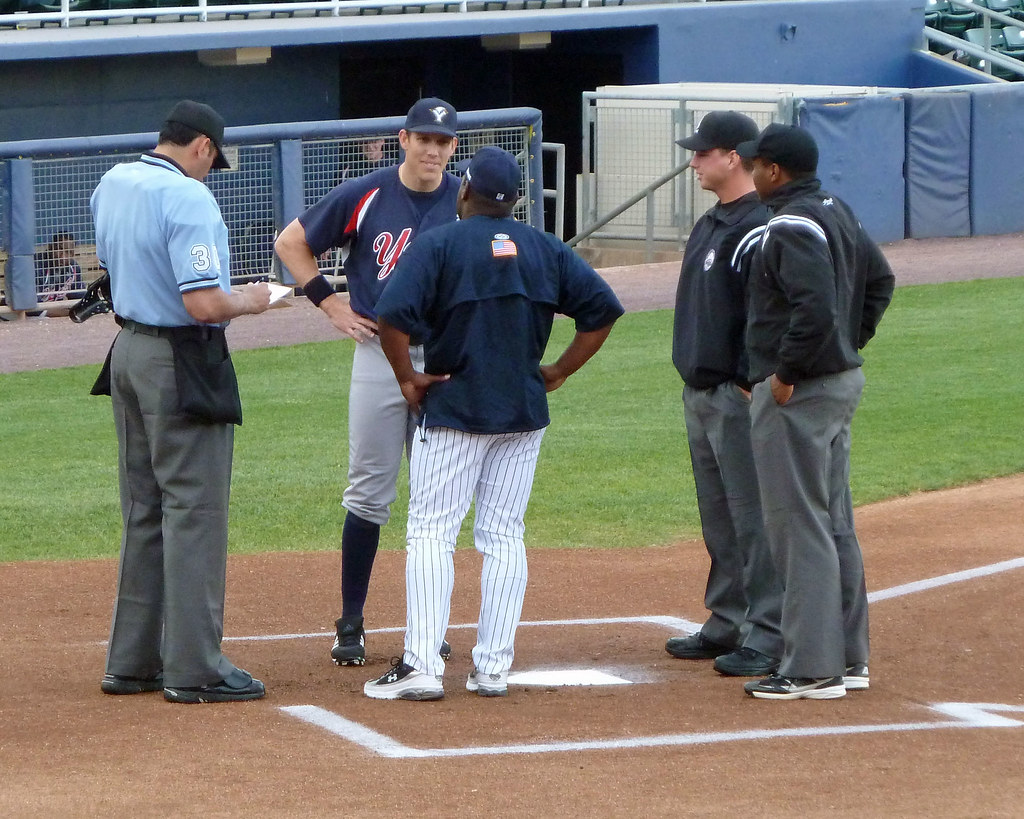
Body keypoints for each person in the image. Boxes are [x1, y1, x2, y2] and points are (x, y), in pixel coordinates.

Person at [363, 146, 625, 700]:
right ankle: (492, 669)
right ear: (517, 201)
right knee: (504, 533)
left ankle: (423, 667)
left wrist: (408, 379)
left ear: (464, 192)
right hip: (522, 413)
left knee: (433, 531)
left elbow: (391, 316)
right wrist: (558, 370)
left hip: (456, 409)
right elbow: (602, 311)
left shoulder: (439, 244)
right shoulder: (544, 248)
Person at [91, 99, 272, 703]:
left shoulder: (115, 180)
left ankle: (132, 662)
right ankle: (195, 666)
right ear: (201, 147)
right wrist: (258, 297)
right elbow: (205, 304)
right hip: (179, 360)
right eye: (211, 160)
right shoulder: (190, 198)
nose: (209, 171)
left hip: (128, 353)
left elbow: (114, 280)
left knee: (145, 507)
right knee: (193, 510)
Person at [274, 97, 461, 667]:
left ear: (454, 147)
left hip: (446, 361)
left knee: (438, 499)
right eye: (423, 138)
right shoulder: (368, 191)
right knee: (369, 491)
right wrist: (328, 303)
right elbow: (291, 242)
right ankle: (350, 621)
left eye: (443, 141)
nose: (433, 149)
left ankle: (426, 625)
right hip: (381, 355)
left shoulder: (467, 199)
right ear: (403, 140)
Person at [734, 123, 894, 700]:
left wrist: (788, 373)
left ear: (774, 171)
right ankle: (849, 660)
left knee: (798, 526)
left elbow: (813, 307)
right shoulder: (837, 210)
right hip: (837, 383)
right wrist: (849, 348)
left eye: (756, 165)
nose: (751, 173)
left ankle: (810, 668)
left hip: (800, 394)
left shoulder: (790, 224)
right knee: (833, 523)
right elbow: (880, 281)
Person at [664, 111, 784, 678]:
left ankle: (768, 629)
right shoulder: (714, 221)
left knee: (750, 515)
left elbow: (767, 315)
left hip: (734, 394)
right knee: (718, 515)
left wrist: (743, 379)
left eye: (702, 152)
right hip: (699, 391)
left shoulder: (759, 225)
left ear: (733, 156)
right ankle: (727, 618)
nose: (694, 161)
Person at [36, 232, 85, 302]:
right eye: (60, 250)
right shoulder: (37, 266)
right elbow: (30, 305)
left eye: (68, 252)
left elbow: (79, 298)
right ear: (51, 247)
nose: (63, 257)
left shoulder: (73, 268)